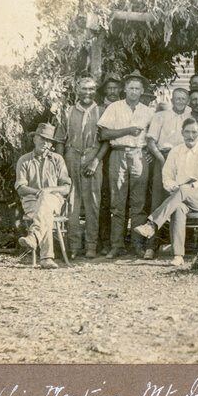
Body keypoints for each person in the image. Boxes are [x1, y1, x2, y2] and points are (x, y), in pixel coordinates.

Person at [132, 118, 198, 266]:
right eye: (187, 132)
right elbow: (167, 176)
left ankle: (152, 224)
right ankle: (178, 255)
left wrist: (192, 186)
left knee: (182, 191)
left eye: (194, 132)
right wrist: (172, 186)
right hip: (180, 195)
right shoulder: (176, 151)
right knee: (178, 208)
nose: (190, 136)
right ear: (182, 133)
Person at [97, 71, 156, 259]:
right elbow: (104, 134)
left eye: (137, 88)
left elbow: (154, 137)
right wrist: (128, 130)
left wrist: (149, 152)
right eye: (131, 88)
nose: (134, 91)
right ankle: (117, 245)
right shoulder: (114, 108)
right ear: (125, 89)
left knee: (138, 203)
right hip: (118, 154)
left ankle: (137, 245)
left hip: (139, 155)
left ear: (142, 91)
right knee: (117, 203)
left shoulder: (148, 112)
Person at [54, 76, 108, 259]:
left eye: (91, 89)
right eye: (84, 89)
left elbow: (106, 141)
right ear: (77, 90)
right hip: (72, 157)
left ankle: (91, 245)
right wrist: (62, 166)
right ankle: (74, 246)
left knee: (93, 203)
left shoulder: (102, 111)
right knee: (72, 203)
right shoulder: (67, 112)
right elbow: (60, 140)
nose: (87, 93)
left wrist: (95, 161)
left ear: (96, 91)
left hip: (93, 157)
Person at [15, 123, 73, 269]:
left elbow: (66, 187)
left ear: (51, 144)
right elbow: (20, 188)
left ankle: (34, 236)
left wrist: (49, 190)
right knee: (44, 212)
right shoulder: (24, 160)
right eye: (42, 138)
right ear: (34, 139)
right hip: (31, 201)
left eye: (48, 141)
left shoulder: (57, 159)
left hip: (54, 201)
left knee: (46, 201)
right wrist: (38, 192)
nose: (45, 143)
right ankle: (46, 258)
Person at [146, 88, 191, 249]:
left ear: (187, 101)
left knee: (180, 199)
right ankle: (152, 246)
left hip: (185, 160)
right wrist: (161, 159)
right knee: (158, 200)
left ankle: (180, 245)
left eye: (183, 99)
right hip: (163, 158)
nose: (180, 101)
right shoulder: (160, 116)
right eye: (177, 98)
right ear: (172, 100)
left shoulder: (191, 117)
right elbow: (150, 141)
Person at [96, 74, 123, 253]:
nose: (113, 91)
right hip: (102, 157)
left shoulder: (124, 108)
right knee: (104, 197)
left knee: (120, 198)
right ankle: (103, 240)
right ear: (105, 90)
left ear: (120, 89)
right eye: (109, 88)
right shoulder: (99, 109)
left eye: (116, 88)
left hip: (120, 154)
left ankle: (120, 240)